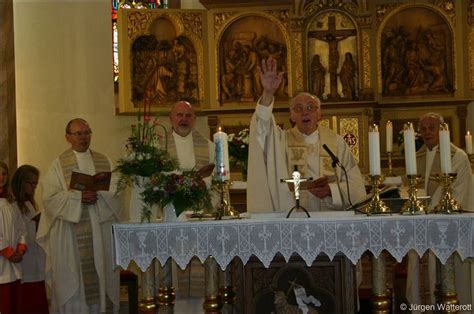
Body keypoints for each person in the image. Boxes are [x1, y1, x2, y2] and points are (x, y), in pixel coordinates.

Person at [247, 57, 366, 213]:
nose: (305, 112)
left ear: (319, 114)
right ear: (292, 117)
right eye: (298, 108)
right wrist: (268, 92)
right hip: (294, 216)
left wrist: (331, 190)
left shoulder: (336, 142)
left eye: (311, 107)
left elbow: (355, 183)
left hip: (331, 217)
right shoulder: (281, 141)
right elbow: (261, 128)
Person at [37, 118, 122, 313]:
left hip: (100, 229)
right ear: (68, 137)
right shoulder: (58, 165)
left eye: (87, 133)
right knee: (74, 280)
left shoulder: (104, 160)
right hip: (70, 233)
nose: (84, 137)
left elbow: (117, 191)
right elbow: (49, 198)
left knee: (101, 273)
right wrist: (78, 198)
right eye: (79, 134)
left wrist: (99, 194)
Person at [406, 112, 472, 307]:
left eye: (431, 128)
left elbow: (460, 191)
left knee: (452, 284)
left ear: (443, 130)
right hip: (420, 228)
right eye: (423, 129)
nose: (427, 132)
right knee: (421, 279)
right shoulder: (415, 157)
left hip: (449, 230)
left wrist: (430, 211)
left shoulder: (457, 156)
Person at [166, 101, 215, 298]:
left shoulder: (208, 146)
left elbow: (216, 174)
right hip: (171, 212)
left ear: (194, 120)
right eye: (179, 115)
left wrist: (205, 184)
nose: (183, 119)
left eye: (188, 116)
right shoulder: (159, 146)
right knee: (173, 262)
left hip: (199, 212)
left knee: (200, 259)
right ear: (171, 118)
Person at [11, 165, 49, 313]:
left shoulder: (29, 204)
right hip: (24, 262)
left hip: (36, 259)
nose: (34, 187)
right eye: (31, 184)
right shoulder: (12, 205)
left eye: (36, 184)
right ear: (22, 183)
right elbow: (17, 233)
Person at [0, 161, 28, 314]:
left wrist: (20, 249)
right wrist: (9, 253)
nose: (1, 177)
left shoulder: (12, 203)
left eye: (4, 173)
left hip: (15, 262)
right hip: (2, 262)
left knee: (15, 306)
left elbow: (21, 228)